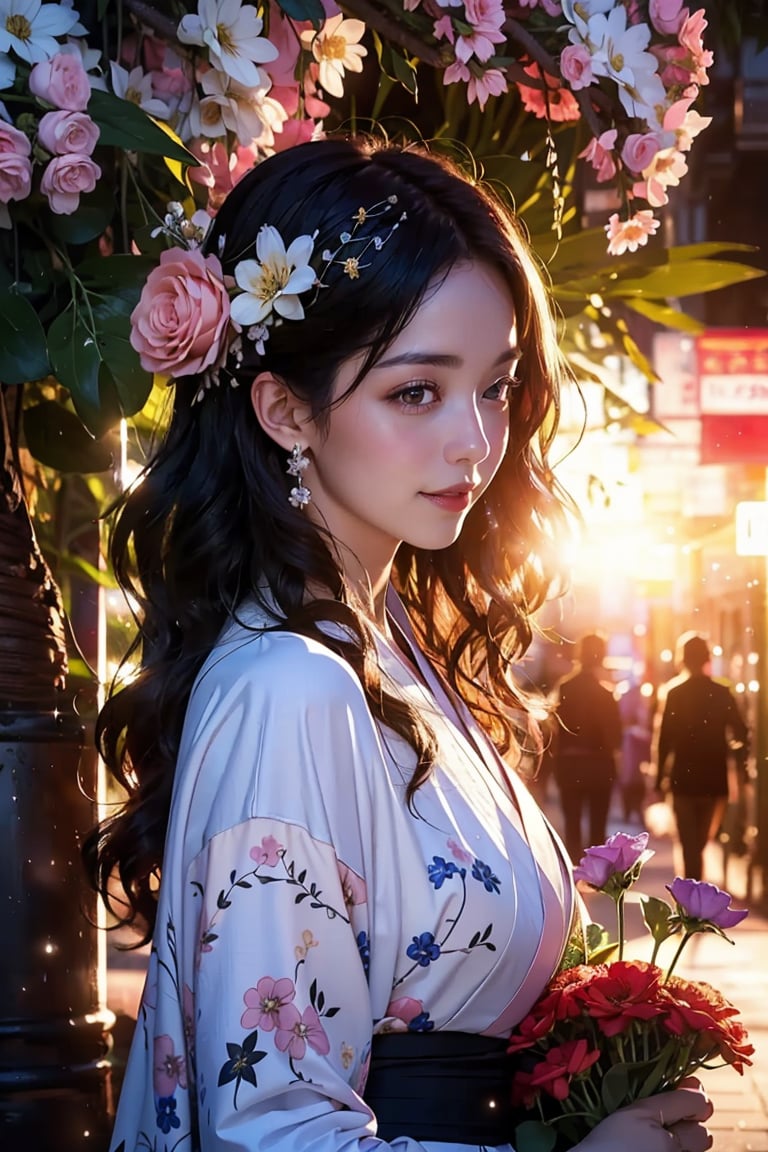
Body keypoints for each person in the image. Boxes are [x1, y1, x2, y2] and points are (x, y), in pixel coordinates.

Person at [84, 137, 713, 1152]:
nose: (474, 439)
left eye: (497, 387)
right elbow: (270, 1133)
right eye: (416, 391)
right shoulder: (291, 683)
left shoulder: (397, 648)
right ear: (285, 409)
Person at [654, 633, 748, 881]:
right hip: (714, 779)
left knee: (688, 844)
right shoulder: (721, 693)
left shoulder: (674, 693)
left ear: (682, 659)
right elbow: (741, 731)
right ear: (707, 657)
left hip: (683, 778)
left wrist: (658, 778)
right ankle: (695, 892)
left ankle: (689, 895)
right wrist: (737, 760)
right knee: (702, 841)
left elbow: (664, 740)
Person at [551, 633, 623, 863]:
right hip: (599, 766)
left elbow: (554, 731)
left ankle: (574, 879)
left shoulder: (564, 689)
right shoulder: (605, 694)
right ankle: (595, 877)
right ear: (601, 656)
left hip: (570, 765)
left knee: (572, 825)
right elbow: (615, 738)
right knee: (597, 827)